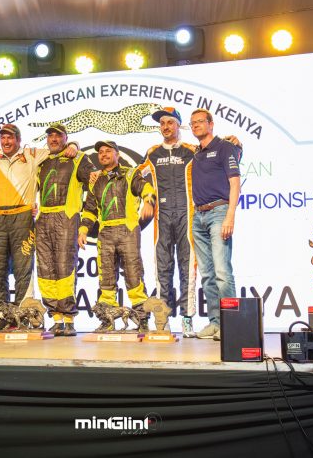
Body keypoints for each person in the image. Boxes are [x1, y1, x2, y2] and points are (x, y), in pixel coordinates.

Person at [0, 124, 78, 335]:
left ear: (18, 139)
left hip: (23, 216)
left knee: (23, 269)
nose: (6, 142)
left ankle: (23, 316)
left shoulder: (32, 154)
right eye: (3, 138)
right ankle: (1, 316)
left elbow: (60, 149)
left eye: (10, 138)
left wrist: (74, 144)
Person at [79, 140, 155, 331]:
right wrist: (83, 230)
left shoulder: (129, 174)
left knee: (133, 274)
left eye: (108, 151)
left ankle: (142, 319)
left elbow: (146, 188)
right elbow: (89, 210)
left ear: (117, 154)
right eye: (101, 152)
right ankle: (107, 320)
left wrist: (149, 201)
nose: (104, 154)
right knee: (106, 278)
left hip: (128, 230)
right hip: (105, 234)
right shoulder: (96, 181)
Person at [139, 107, 198, 337]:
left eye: (170, 122)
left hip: (187, 214)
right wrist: (148, 199)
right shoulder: (152, 153)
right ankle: (162, 320)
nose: (165, 127)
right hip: (161, 218)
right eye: (162, 123)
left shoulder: (191, 151)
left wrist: (236, 144)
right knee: (162, 268)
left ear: (178, 125)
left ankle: (187, 319)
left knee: (188, 268)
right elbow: (136, 176)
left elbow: (217, 152)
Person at [36, 124, 96, 336]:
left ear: (65, 137)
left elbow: (95, 189)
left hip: (67, 218)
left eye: (58, 136)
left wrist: (85, 225)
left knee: (65, 270)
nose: (53, 139)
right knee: (45, 271)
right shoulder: (40, 160)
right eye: (50, 136)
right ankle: (56, 318)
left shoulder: (78, 159)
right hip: (43, 219)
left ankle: (69, 319)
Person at [189, 109, 242, 340]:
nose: (195, 126)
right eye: (192, 123)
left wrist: (230, 215)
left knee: (222, 271)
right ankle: (215, 322)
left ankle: (231, 324)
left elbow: (235, 182)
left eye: (200, 122)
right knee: (207, 275)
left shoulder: (225, 147)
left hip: (219, 212)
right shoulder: (196, 153)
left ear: (211, 124)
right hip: (198, 216)